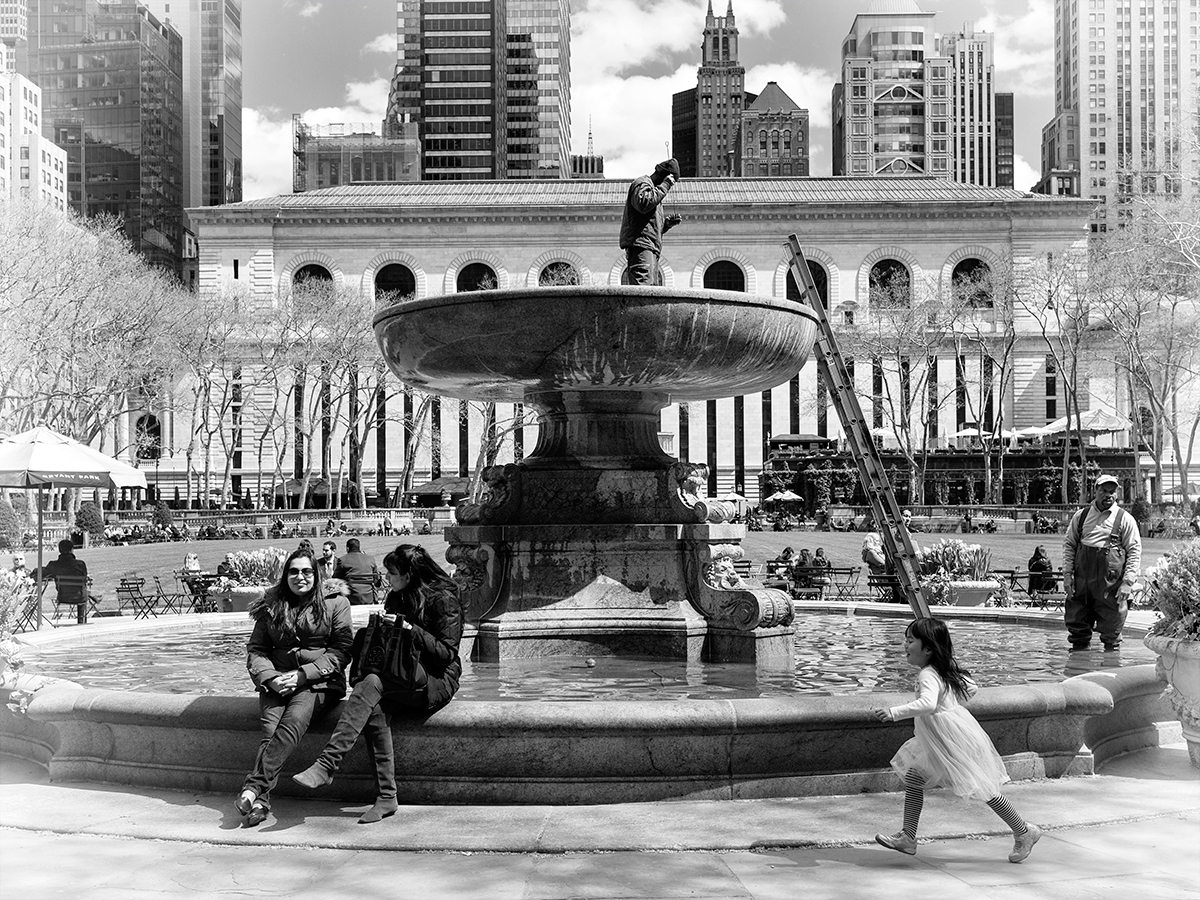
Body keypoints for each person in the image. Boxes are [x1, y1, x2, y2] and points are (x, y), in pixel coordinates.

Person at [293, 544, 465, 823]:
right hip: (397, 674)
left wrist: (410, 629)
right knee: (373, 707)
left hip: (435, 678)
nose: (387, 577)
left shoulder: (443, 599)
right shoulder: (396, 596)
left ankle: (327, 765)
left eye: (392, 572)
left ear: (409, 574)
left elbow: (447, 655)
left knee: (372, 683)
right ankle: (386, 797)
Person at [871, 617, 1041, 863]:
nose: (904, 646)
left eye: (909, 641)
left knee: (983, 788)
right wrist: (950, 701)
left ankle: (1024, 831)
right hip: (947, 737)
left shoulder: (928, 674)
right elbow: (971, 687)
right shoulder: (942, 670)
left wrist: (894, 712)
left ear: (928, 648)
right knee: (915, 777)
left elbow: (928, 704)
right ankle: (908, 837)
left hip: (948, 742)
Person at [235, 549, 353, 827]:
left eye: (307, 571)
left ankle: (253, 787)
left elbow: (341, 651)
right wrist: (270, 677)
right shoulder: (271, 603)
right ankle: (260, 803)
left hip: (319, 681)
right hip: (276, 681)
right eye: (294, 571)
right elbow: (257, 649)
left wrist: (303, 675)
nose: (300, 577)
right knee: (270, 731)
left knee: (294, 719)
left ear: (317, 574)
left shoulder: (336, 603)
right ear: (285, 574)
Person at [1062, 473, 1142, 652]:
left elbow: (1134, 551)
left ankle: (1111, 672)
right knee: (1077, 630)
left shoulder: (1125, 519)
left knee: (1112, 635)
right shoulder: (1080, 517)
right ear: (1095, 491)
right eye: (1104, 490)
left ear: (1117, 494)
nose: (1108, 495)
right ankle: (1077, 669)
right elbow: (1069, 545)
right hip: (1081, 584)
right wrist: (1067, 575)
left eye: (1112, 492)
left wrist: (1128, 582)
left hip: (1111, 586)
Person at [618, 158, 683, 285]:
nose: (671, 184)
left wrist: (665, 225)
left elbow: (645, 226)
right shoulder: (642, 183)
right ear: (665, 176)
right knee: (643, 288)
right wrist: (666, 185)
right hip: (642, 248)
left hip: (649, 248)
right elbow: (643, 203)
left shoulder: (652, 190)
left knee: (650, 288)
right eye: (672, 180)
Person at [31, 539, 89, 625]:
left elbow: (43, 573)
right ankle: (81, 621)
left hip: (63, 596)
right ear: (72, 550)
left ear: (59, 550)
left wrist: (35, 571)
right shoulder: (81, 564)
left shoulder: (54, 565)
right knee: (83, 593)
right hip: (80, 596)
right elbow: (85, 579)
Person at [335, 538, 380, 606]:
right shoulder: (370, 559)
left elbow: (336, 578)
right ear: (359, 547)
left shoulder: (343, 560)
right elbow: (376, 580)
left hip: (351, 597)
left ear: (347, 548)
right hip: (369, 596)